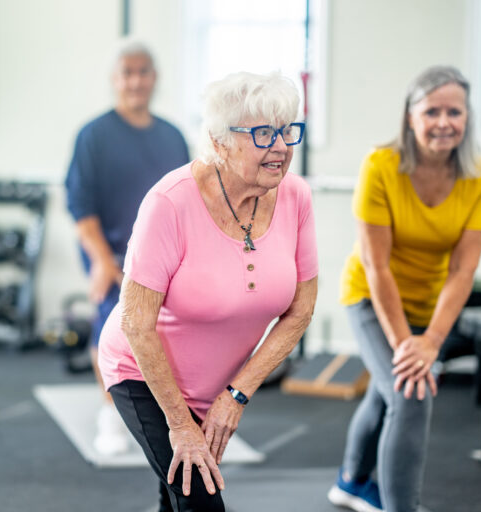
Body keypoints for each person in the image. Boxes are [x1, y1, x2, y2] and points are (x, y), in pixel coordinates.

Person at [98, 71, 318, 511]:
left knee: (177, 498)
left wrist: (236, 394)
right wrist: (180, 425)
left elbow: (301, 310)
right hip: (141, 373)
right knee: (200, 501)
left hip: (216, 387)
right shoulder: (169, 203)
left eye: (286, 130)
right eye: (262, 134)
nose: (280, 146)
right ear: (220, 141)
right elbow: (136, 323)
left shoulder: (295, 197)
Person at [329, 66, 481, 512]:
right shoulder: (380, 165)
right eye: (432, 111)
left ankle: (350, 482)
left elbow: (463, 269)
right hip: (370, 295)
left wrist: (432, 340)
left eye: (454, 112)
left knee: (387, 390)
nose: (444, 122)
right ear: (410, 116)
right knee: (411, 390)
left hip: (427, 301)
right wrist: (408, 346)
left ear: (467, 117)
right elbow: (376, 265)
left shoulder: (479, 175)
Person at [65, 40, 189, 455]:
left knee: (165, 329)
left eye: (143, 72)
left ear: (155, 78)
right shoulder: (93, 135)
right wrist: (102, 262)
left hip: (162, 253)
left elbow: (187, 201)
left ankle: (166, 410)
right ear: (115, 80)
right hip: (111, 252)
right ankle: (110, 414)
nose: (136, 81)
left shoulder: (173, 137)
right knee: (113, 326)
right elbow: (81, 207)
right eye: (127, 73)